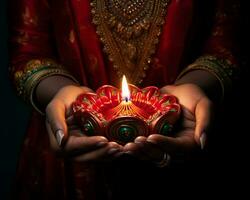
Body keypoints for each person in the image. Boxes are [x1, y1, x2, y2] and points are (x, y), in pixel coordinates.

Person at [9, 0, 240, 199]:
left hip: (182, 134)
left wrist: (195, 87)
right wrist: (64, 95)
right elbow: (28, 51)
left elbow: (226, 46)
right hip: (70, 143)